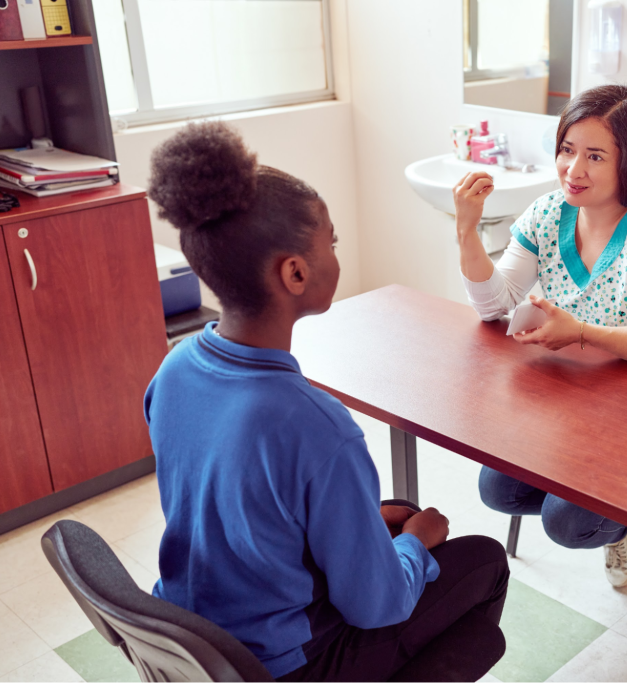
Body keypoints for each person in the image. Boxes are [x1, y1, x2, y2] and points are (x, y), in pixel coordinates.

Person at [144, 122, 509, 683]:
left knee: (392, 509)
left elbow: (242, 504)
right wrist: (413, 547)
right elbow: (378, 607)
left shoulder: (173, 370)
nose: (336, 253)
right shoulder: (316, 428)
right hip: (284, 667)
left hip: (200, 640)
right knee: (481, 559)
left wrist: (378, 525)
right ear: (294, 272)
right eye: (331, 243)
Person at [451, 84, 627, 588]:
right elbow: (494, 306)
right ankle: (587, 486)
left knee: (567, 523)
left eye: (594, 156)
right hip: (572, 405)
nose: (574, 169)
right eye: (567, 150)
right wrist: (466, 231)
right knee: (497, 491)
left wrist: (582, 334)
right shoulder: (547, 214)